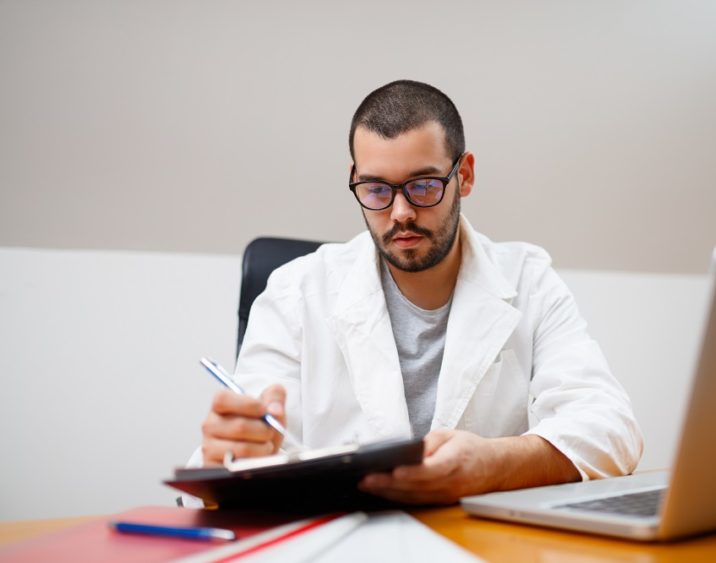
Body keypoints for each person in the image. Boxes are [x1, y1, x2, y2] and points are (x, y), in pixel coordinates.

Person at [197, 80, 643, 504]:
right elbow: (233, 454)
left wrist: (492, 465)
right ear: (354, 179)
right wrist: (233, 452)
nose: (401, 213)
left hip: (478, 543)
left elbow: (611, 428)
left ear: (464, 176)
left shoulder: (529, 279)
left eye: (424, 186)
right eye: (376, 189)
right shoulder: (296, 292)